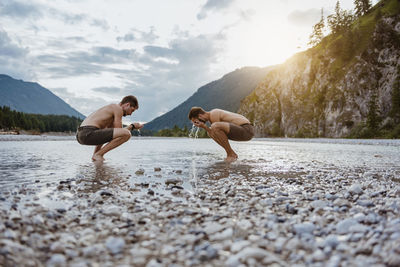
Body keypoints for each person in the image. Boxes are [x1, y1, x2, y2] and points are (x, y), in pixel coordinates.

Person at [76, 95, 143, 161]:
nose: (131, 114)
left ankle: (97, 155)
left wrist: (96, 154)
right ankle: (98, 155)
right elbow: (121, 131)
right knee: (127, 134)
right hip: (87, 132)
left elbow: (103, 135)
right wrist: (132, 126)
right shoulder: (117, 108)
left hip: (81, 135)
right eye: (132, 110)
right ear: (127, 105)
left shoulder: (110, 113)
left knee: (111, 133)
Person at [188, 107, 254, 162]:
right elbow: (214, 134)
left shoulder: (214, 113)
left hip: (246, 130)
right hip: (241, 132)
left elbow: (215, 130)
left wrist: (204, 127)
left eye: (196, 121)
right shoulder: (212, 118)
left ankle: (230, 154)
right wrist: (205, 127)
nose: (196, 124)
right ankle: (232, 153)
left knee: (214, 126)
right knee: (210, 132)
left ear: (200, 116)